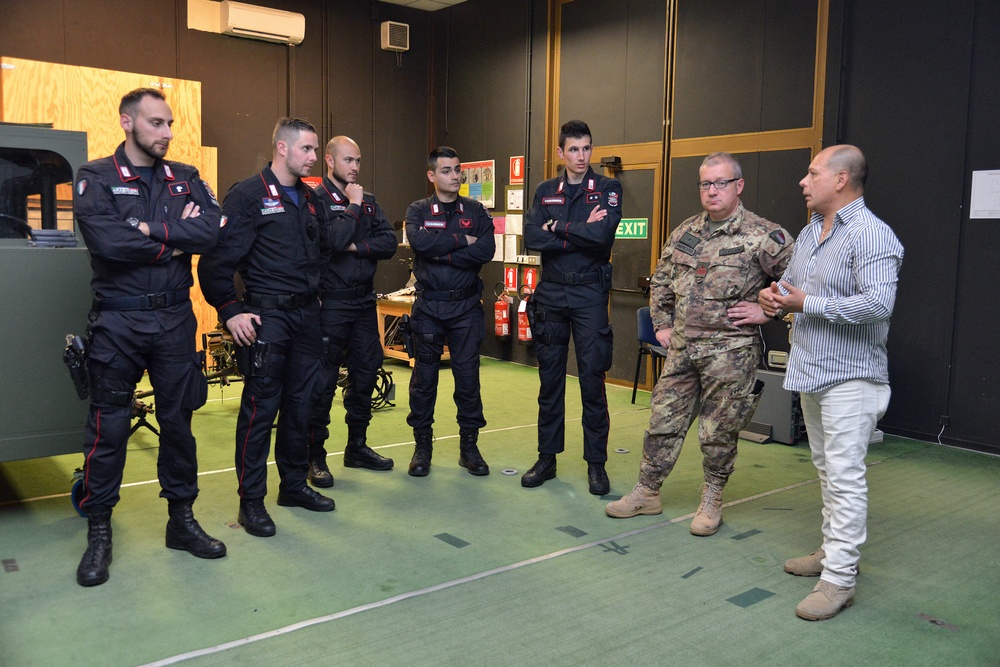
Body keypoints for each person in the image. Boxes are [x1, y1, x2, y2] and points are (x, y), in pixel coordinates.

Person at [72, 87, 225, 587]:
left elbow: (210, 233)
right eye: (156, 123)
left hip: (175, 321)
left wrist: (144, 228)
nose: (167, 133)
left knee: (178, 425)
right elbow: (108, 244)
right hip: (118, 324)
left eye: (169, 123)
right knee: (109, 428)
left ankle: (181, 521)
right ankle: (99, 531)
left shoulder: (184, 177)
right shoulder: (95, 177)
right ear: (127, 122)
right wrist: (171, 240)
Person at [605, 152, 793, 535]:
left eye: (721, 182)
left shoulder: (764, 235)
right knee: (662, 421)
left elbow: (800, 282)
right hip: (682, 351)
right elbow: (660, 279)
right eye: (705, 184)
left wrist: (768, 312)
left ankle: (712, 499)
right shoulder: (686, 231)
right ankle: (648, 491)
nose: (712, 191)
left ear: (738, 186)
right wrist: (660, 326)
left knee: (718, 431)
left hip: (730, 354)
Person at [758, 145, 903, 621]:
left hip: (851, 377)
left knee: (844, 477)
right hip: (813, 370)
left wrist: (806, 304)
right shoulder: (809, 232)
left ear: (841, 179)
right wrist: (775, 296)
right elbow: (795, 288)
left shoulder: (872, 234)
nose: (803, 180)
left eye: (812, 172)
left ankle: (839, 579)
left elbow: (879, 305)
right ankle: (831, 551)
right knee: (826, 469)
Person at [198, 117, 335, 538]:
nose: (314, 157)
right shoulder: (248, 195)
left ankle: (293, 487)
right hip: (267, 319)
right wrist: (230, 310)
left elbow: (325, 253)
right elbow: (214, 262)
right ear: (281, 147)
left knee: (302, 407)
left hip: (307, 317)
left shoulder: (312, 200)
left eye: (315, 150)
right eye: (307, 149)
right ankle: (251, 502)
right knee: (261, 411)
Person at [521, 120, 622, 495]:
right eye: (574, 150)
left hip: (589, 297)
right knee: (549, 383)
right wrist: (577, 227)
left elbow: (600, 239)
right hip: (551, 295)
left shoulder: (608, 188)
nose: (582, 157)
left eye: (587, 148)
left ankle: (596, 465)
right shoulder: (545, 190)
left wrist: (557, 228)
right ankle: (547, 458)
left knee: (592, 382)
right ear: (561, 153)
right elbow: (532, 237)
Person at [306, 136, 398, 487]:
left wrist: (356, 245)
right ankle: (315, 457)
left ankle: (356, 447)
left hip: (363, 302)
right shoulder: (314, 199)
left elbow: (389, 243)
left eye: (358, 160)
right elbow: (329, 242)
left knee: (366, 373)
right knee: (324, 381)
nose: (355, 167)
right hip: (330, 303)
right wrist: (354, 206)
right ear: (329, 160)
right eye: (348, 160)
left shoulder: (369, 200)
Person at [403, 146, 495, 477]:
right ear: (432, 175)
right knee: (424, 381)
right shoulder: (417, 210)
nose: (455, 176)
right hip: (429, 308)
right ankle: (422, 448)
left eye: (458, 170)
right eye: (447, 171)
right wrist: (462, 241)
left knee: (468, 380)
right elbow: (420, 244)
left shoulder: (476, 210)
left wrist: (442, 248)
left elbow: (486, 250)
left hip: (466, 308)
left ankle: (469, 448)